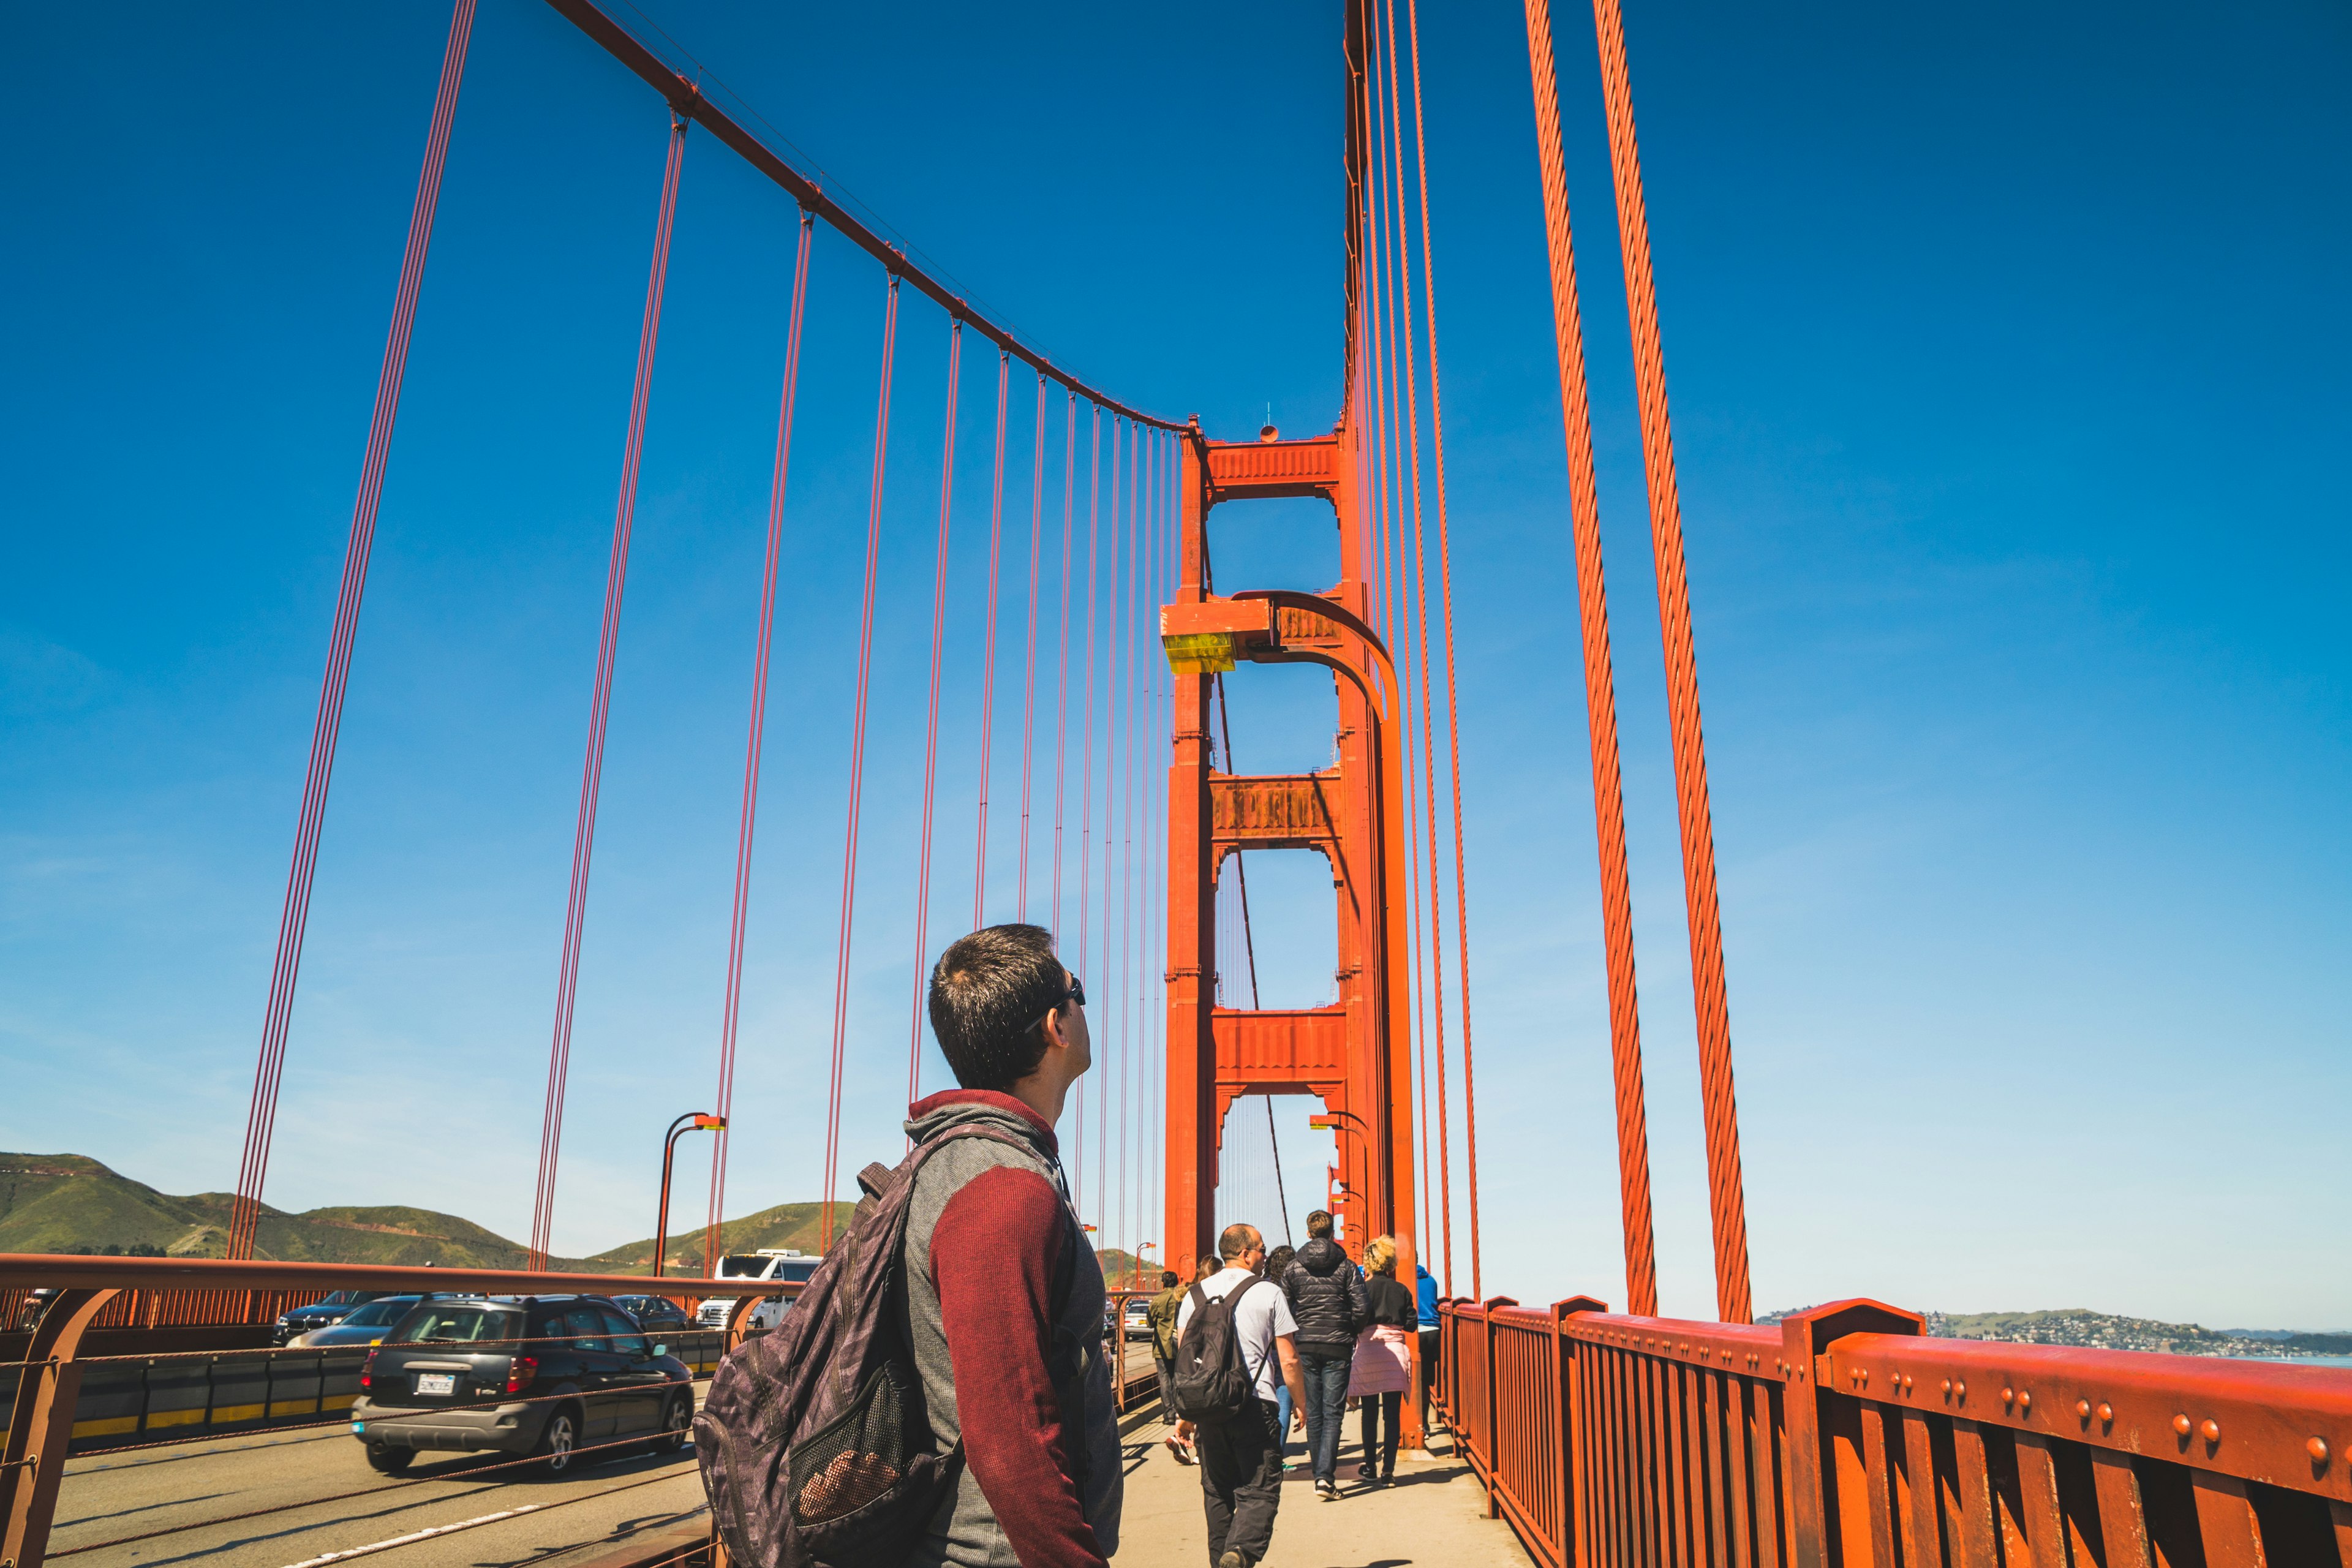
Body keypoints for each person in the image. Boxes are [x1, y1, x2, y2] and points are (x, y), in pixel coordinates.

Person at [903, 924, 1121, 1568]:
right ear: (1057, 1025)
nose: (1084, 1007)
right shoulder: (1002, 1190)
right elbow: (1007, 1437)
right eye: (1078, 992)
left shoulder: (961, 1162)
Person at [1172, 1224, 1310, 1568]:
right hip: (1254, 1404)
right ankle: (1242, 1551)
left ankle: (1221, 1559)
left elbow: (1188, 1360)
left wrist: (1187, 1416)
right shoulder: (1269, 1292)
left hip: (1209, 1409)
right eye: (1262, 1249)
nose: (1265, 1256)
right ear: (1246, 1254)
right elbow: (1289, 1359)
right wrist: (1302, 1404)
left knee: (1218, 1492)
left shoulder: (1194, 1294)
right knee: (1260, 1485)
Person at [1278, 1210, 1366, 1499]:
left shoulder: (1292, 1268)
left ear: (1308, 1234)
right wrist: (1350, 1330)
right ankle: (1325, 1479)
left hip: (1304, 1346)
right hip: (1338, 1346)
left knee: (1313, 1413)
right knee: (1333, 1413)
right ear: (1332, 1233)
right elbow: (1362, 1309)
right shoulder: (1347, 1266)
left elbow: (1283, 1309)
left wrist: (1297, 1332)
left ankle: (1320, 1476)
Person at [1348, 1235, 1415, 1486]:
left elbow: (1354, 1323)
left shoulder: (1362, 1289)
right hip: (1394, 1356)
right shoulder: (1401, 1290)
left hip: (1368, 1353)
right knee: (1392, 1415)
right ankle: (1389, 1471)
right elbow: (1411, 1324)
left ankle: (1370, 1467)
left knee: (1369, 1415)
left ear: (1368, 1263)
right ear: (1390, 1262)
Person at [1260, 1245, 1298, 1467]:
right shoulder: (1295, 1288)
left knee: (1262, 1407)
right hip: (1285, 1351)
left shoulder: (1262, 1287)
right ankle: (1276, 1459)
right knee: (1283, 1405)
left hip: (1262, 1355)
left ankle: (1260, 1457)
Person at [1146, 1269, 1184, 1423]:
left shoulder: (1158, 1300)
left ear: (1163, 1283)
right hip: (1181, 1343)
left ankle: (1169, 1415)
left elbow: (1149, 1323)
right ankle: (1181, 1411)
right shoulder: (1183, 1298)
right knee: (1178, 1378)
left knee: (1165, 1380)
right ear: (1176, 1282)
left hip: (1163, 1345)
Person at [1414, 1259, 1442, 1434]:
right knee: (1425, 1381)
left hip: (1413, 1332)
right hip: (1433, 1331)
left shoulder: (1401, 1280)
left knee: (1410, 1380)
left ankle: (1412, 1422)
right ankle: (1424, 1423)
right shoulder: (1431, 1280)